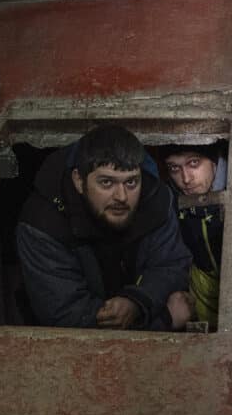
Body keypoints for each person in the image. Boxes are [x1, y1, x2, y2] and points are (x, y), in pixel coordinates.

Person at [16, 125, 194, 330]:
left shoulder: (156, 199)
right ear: (79, 180)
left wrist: (137, 301)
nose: (121, 197)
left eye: (131, 182)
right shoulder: (43, 224)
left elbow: (172, 264)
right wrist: (164, 320)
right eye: (107, 182)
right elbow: (67, 318)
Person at [161, 143, 227, 329]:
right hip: (197, 296)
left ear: (215, 162)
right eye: (174, 168)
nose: (185, 179)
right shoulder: (168, 200)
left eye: (194, 163)